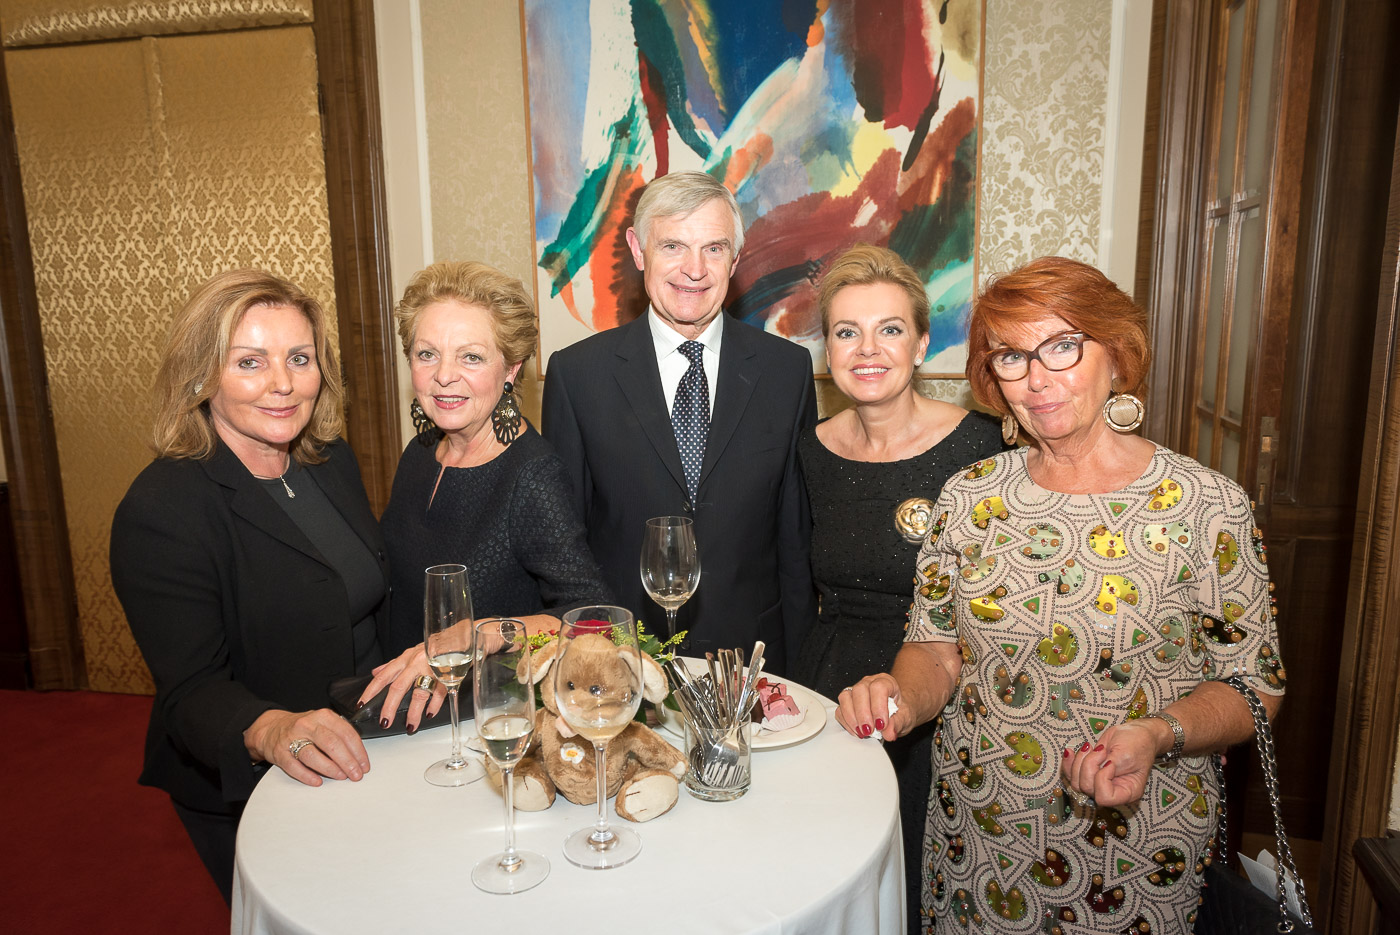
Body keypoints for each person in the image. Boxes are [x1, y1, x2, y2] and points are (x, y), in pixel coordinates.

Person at [835, 256, 1286, 933]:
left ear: (1117, 356)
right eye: (1011, 357)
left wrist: (1157, 733)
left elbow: (1256, 685)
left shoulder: (1206, 505)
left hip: (1136, 840)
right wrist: (898, 698)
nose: (1037, 378)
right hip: (979, 832)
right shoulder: (970, 496)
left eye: (1063, 346)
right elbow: (935, 649)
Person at [110, 270, 438, 902]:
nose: (283, 383)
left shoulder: (328, 459)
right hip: (264, 784)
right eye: (250, 362)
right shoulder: (162, 509)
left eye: (299, 358)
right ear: (202, 376)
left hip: (368, 748)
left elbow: (359, 594)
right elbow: (192, 690)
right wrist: (269, 728)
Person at [792, 244, 1005, 935]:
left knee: (917, 892)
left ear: (921, 344)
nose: (867, 349)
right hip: (829, 694)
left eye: (889, 329)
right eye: (846, 332)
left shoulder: (983, 448)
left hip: (942, 697)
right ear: (828, 351)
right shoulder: (809, 450)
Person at [542, 171, 817, 671]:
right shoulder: (577, 376)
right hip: (623, 661)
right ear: (638, 249)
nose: (695, 269)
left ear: (735, 259)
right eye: (673, 246)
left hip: (751, 664)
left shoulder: (787, 372)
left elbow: (795, 543)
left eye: (714, 249)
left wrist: (801, 677)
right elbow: (564, 551)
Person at [362, 261, 612, 714]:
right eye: (427, 354)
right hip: (406, 709)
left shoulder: (531, 475)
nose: (444, 375)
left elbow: (593, 616)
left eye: (471, 357)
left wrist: (489, 632)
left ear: (511, 369)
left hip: (490, 719)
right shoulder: (420, 451)